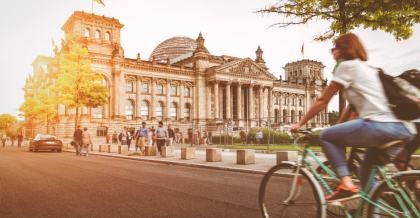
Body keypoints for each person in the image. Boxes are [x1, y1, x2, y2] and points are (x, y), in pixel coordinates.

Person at [290, 33, 414, 201]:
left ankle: (346, 183)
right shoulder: (370, 69)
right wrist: (340, 127)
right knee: (366, 175)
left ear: (343, 50)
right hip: (403, 128)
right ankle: (392, 206)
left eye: (335, 47)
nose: (332, 50)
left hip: (378, 125)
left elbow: (322, 100)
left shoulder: (346, 67)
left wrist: (299, 123)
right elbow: (353, 108)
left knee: (326, 136)